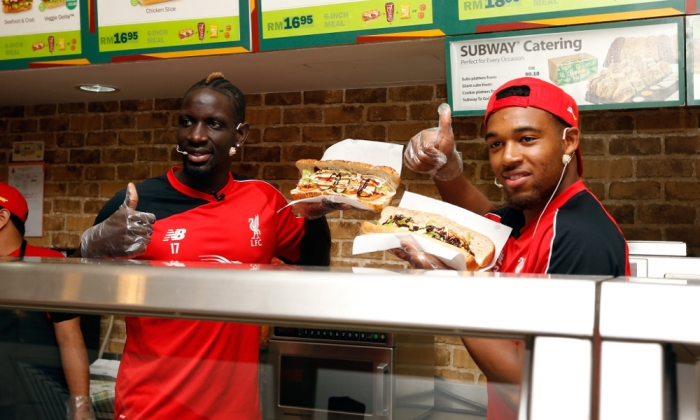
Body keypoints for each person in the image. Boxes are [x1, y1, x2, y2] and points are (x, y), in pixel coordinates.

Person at [79, 72, 346, 419]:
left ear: (240, 135)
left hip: (236, 410)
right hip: (150, 407)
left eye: (214, 124)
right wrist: (94, 247)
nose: (196, 136)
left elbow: (314, 270)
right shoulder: (135, 204)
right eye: (187, 122)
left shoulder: (263, 200)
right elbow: (77, 289)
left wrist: (314, 218)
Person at [399, 77, 630, 420]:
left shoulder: (579, 235)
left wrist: (450, 290)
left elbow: (535, 380)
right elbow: (479, 226)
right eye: (495, 144)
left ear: (570, 141)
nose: (508, 157)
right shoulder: (530, 215)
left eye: (527, 139)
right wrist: (445, 166)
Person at [0, 182, 94, 420]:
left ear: (2, 217)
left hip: (31, 401)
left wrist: (80, 405)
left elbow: (69, 337)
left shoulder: (46, 264)